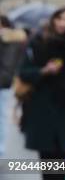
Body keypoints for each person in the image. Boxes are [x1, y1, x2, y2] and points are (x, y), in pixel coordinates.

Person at [18, 7, 65, 179]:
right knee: (48, 165)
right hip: (43, 110)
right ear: (53, 20)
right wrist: (44, 71)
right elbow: (23, 72)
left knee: (63, 164)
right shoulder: (38, 41)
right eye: (61, 18)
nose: (64, 22)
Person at [0, 15, 28, 157]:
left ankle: (1, 148)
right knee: (2, 115)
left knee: (2, 116)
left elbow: (7, 65)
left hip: (4, 83)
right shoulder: (14, 39)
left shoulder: (8, 39)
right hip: (7, 82)